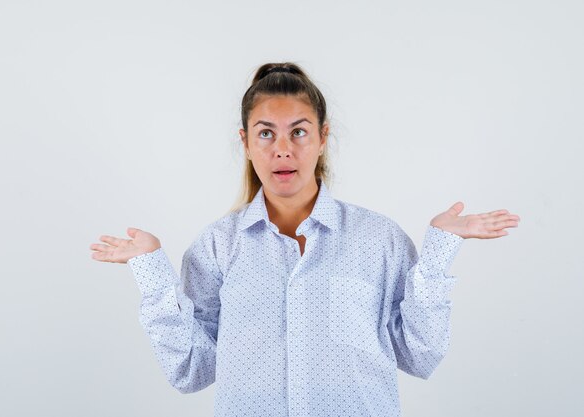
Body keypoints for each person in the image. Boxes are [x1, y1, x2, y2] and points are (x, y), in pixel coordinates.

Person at [89, 62, 520, 417]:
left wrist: (438, 253)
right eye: (265, 133)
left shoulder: (380, 239)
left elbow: (419, 356)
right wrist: (151, 271)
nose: (282, 149)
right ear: (245, 142)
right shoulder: (218, 246)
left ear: (322, 137)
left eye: (298, 131)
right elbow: (190, 370)